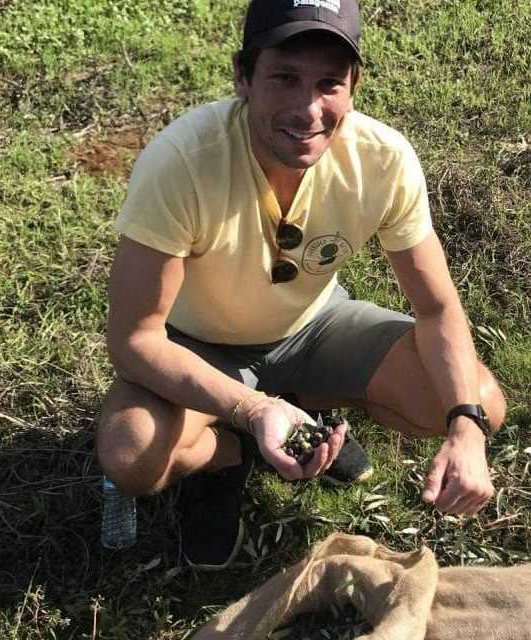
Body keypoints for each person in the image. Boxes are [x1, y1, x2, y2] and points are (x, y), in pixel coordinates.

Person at [95, 0, 507, 570]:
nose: (308, 109)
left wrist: (467, 430)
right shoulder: (182, 162)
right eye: (285, 78)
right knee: (131, 454)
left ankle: (302, 415)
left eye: (329, 83)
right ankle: (230, 457)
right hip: (198, 344)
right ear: (243, 76)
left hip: (315, 324)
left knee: (479, 401)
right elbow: (135, 340)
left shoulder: (382, 160)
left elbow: (437, 308)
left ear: (353, 87)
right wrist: (249, 408)